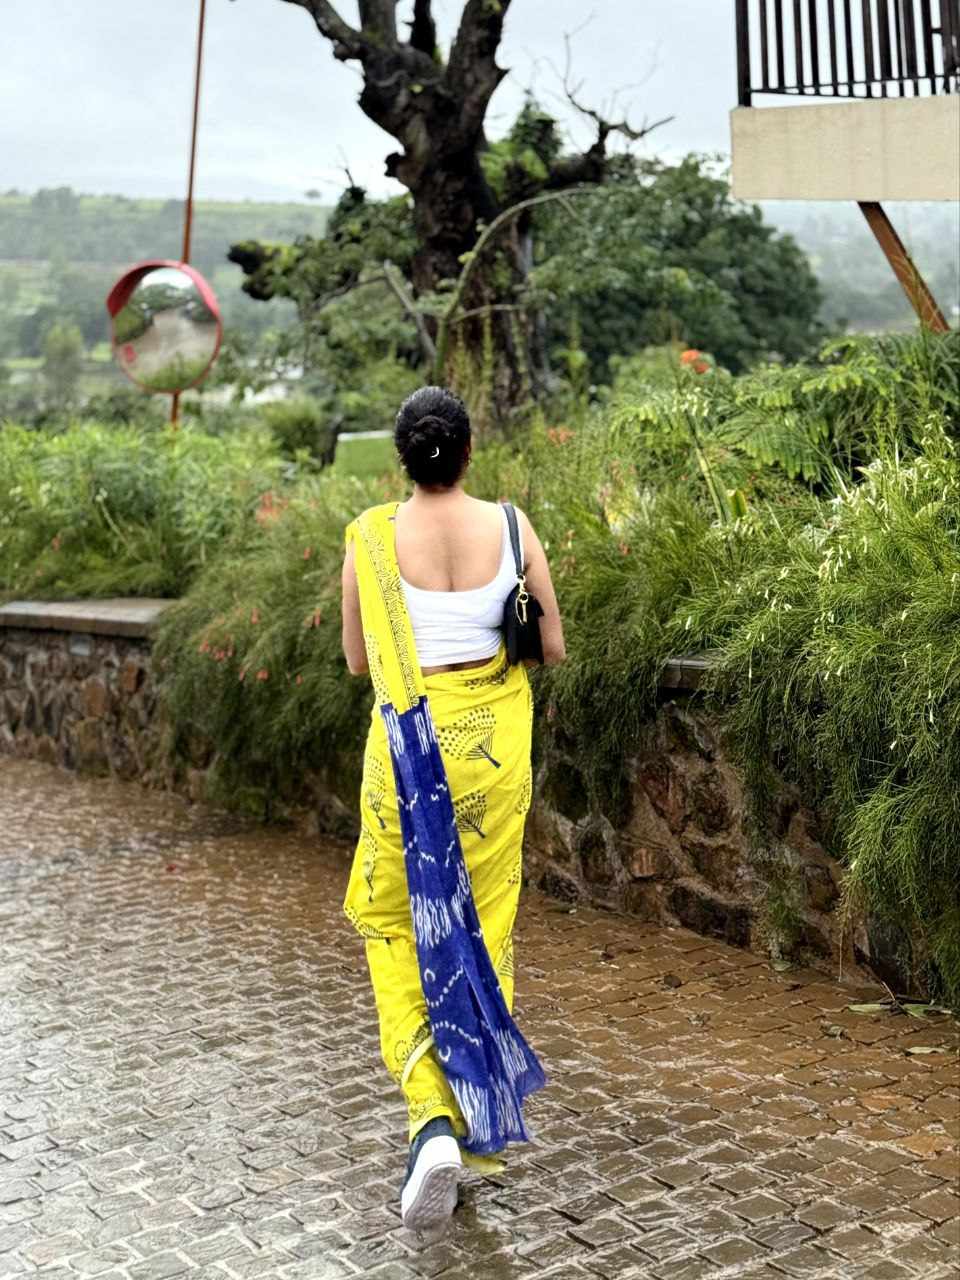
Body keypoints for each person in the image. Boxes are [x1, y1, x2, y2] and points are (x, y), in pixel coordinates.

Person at [340, 385, 565, 1236]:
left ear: (403, 459)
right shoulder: (511, 526)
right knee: (482, 922)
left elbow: (357, 661)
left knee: (396, 925)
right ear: (469, 452)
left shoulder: (370, 538)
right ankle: (473, 1120)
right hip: (493, 760)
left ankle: (430, 1118)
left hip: (405, 760)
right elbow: (551, 646)